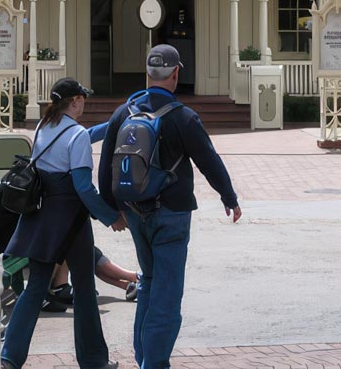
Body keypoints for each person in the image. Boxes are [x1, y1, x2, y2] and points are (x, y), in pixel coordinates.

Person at [97, 44, 242, 369]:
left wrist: (112, 210)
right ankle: (155, 363)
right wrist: (228, 197)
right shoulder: (183, 117)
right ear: (176, 74)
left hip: (133, 210)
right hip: (172, 214)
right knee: (167, 291)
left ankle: (143, 355)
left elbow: (105, 164)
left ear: (147, 73)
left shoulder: (123, 114)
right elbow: (209, 161)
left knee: (148, 281)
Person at [0, 77, 123, 369]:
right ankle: (93, 361)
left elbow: (80, 136)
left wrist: (113, 125)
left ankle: (9, 357)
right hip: (72, 220)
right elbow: (83, 187)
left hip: (43, 218)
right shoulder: (76, 134)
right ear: (76, 101)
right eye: (84, 100)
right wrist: (111, 217)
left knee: (36, 288)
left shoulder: (45, 126)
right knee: (83, 288)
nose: (85, 104)